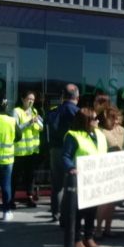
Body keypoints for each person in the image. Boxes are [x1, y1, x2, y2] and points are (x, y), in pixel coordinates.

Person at [62, 108, 107, 247]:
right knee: (78, 212)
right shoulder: (73, 136)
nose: (98, 121)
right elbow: (66, 156)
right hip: (80, 180)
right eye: (94, 119)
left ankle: (89, 237)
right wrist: (70, 168)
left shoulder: (99, 134)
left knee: (91, 211)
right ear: (86, 121)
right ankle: (76, 240)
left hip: (95, 179)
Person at [46, 84, 80, 223]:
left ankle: (56, 213)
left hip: (55, 150)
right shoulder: (77, 112)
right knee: (71, 185)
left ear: (63, 96)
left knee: (57, 185)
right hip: (70, 151)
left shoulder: (54, 111)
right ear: (77, 97)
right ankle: (67, 215)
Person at [96, 107, 124, 239]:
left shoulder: (121, 130)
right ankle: (97, 229)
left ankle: (108, 228)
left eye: (116, 118)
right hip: (105, 170)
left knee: (112, 203)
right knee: (103, 203)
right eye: (112, 118)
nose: (115, 121)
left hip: (117, 169)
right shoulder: (100, 132)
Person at [12, 90, 43, 208]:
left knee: (30, 176)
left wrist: (39, 122)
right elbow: (15, 128)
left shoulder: (34, 111)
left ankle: (29, 197)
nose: (31, 101)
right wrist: (29, 122)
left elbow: (41, 128)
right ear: (22, 99)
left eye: (33, 100)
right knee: (16, 176)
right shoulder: (17, 111)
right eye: (29, 99)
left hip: (31, 150)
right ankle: (12, 198)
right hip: (19, 151)